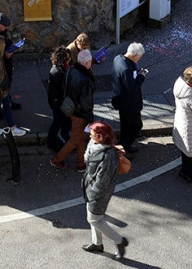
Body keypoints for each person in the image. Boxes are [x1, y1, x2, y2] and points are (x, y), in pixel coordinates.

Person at [80, 121, 128, 257]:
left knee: (95, 219)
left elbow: (103, 182)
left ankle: (119, 240)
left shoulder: (108, 156)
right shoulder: (95, 145)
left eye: (92, 135)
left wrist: (92, 192)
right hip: (90, 187)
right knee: (92, 216)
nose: (90, 137)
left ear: (100, 136)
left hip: (98, 193)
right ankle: (97, 243)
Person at [52, 48, 96, 171]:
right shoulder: (85, 78)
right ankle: (57, 160)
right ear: (87, 63)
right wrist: (90, 118)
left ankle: (81, 163)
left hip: (71, 108)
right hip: (80, 113)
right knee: (75, 139)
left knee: (80, 138)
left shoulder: (72, 69)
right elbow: (86, 102)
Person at [0, 35, 26, 137]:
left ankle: (11, 127)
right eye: (3, 44)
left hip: (1, 89)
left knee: (6, 106)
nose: (4, 46)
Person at [112, 42, 148, 152]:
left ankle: (123, 140)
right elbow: (132, 87)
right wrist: (141, 76)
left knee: (125, 123)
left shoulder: (118, 58)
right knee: (136, 125)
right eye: (139, 57)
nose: (139, 59)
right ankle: (126, 146)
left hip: (120, 99)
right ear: (135, 55)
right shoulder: (127, 69)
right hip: (129, 103)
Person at [45, 47, 71, 154]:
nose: (69, 60)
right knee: (57, 122)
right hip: (57, 103)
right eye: (67, 59)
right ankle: (51, 142)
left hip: (58, 101)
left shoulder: (59, 68)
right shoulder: (57, 72)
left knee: (64, 121)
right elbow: (63, 87)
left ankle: (63, 139)